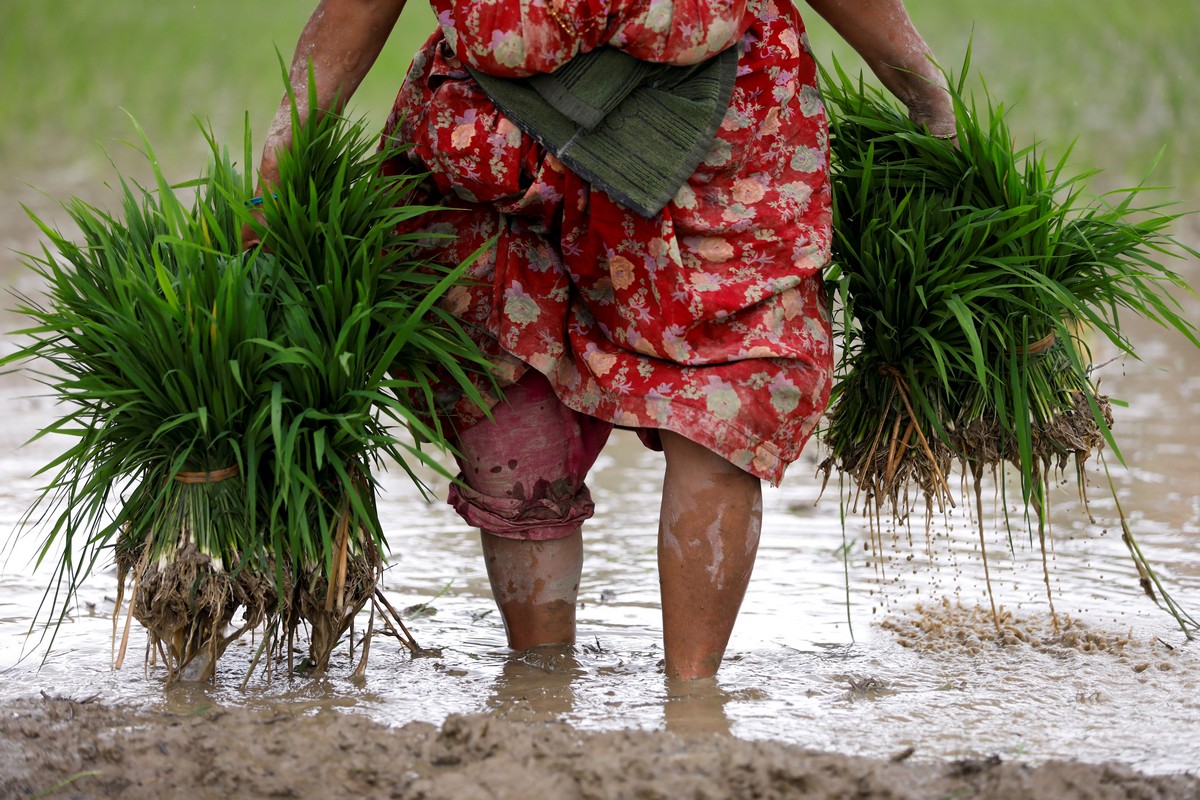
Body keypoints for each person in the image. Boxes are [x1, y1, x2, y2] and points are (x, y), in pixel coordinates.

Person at [248, 0, 956, 681]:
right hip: (633, 149)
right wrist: (931, 104)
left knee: (535, 370)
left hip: (600, 145)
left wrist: (279, 160)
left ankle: (553, 689)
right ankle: (674, 703)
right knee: (702, 381)